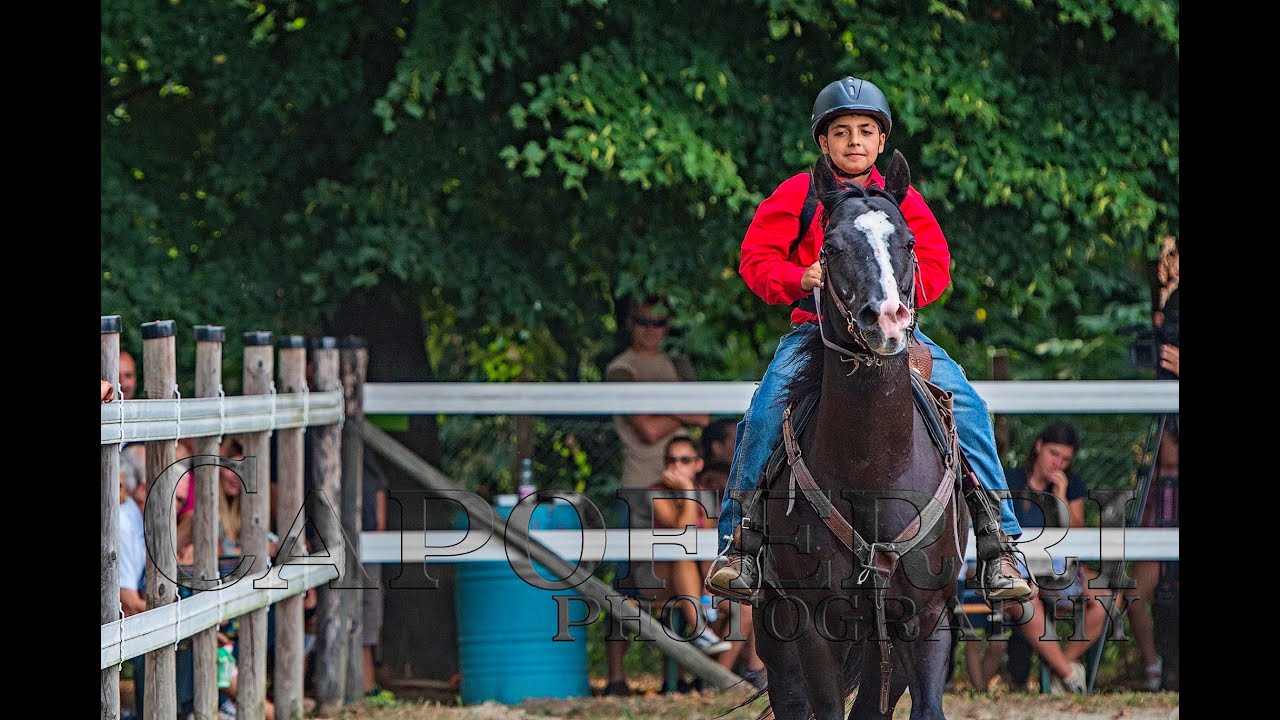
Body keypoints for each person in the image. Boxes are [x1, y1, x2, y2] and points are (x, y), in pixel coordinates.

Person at [706, 76, 1031, 604]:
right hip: (816, 333)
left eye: (865, 131)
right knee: (763, 413)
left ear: (881, 141)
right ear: (823, 142)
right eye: (841, 132)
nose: (853, 141)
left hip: (895, 329)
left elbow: (936, 265)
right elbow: (756, 260)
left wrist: (898, 297)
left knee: (969, 406)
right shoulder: (799, 194)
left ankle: (1001, 545)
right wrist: (799, 277)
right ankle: (739, 543)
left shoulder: (902, 200)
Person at [602, 297, 710, 696]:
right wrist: (681, 411)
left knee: (679, 578)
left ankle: (677, 674)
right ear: (630, 323)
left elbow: (702, 417)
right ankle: (616, 677)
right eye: (644, 321)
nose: (652, 329)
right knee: (627, 585)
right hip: (639, 488)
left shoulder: (674, 365)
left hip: (681, 489)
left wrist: (664, 411)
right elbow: (646, 430)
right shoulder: (621, 368)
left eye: (660, 322)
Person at [1000, 421, 1106, 694]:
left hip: (1057, 570)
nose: (1058, 463)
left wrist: (1061, 498)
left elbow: (1078, 534)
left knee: (1107, 597)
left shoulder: (1071, 485)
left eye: (1065, 459)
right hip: (1017, 569)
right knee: (1025, 597)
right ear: (1039, 446)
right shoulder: (1009, 480)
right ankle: (1070, 675)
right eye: (1053, 453)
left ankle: (1058, 667)